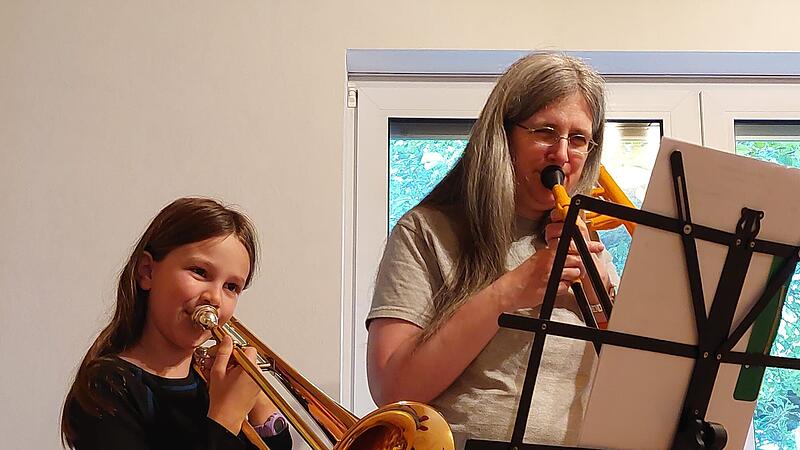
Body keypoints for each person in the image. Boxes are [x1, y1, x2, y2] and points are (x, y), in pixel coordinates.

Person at [365, 53, 620, 448]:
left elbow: (636, 387)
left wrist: (602, 295)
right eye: (545, 131)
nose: (563, 155)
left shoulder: (590, 249)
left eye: (579, 139)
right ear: (503, 135)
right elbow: (391, 387)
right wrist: (516, 288)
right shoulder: (426, 231)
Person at [61, 197, 292, 450]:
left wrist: (260, 406)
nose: (214, 298)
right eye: (200, 272)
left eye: (231, 287)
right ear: (147, 272)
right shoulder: (107, 386)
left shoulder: (210, 384)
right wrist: (226, 418)